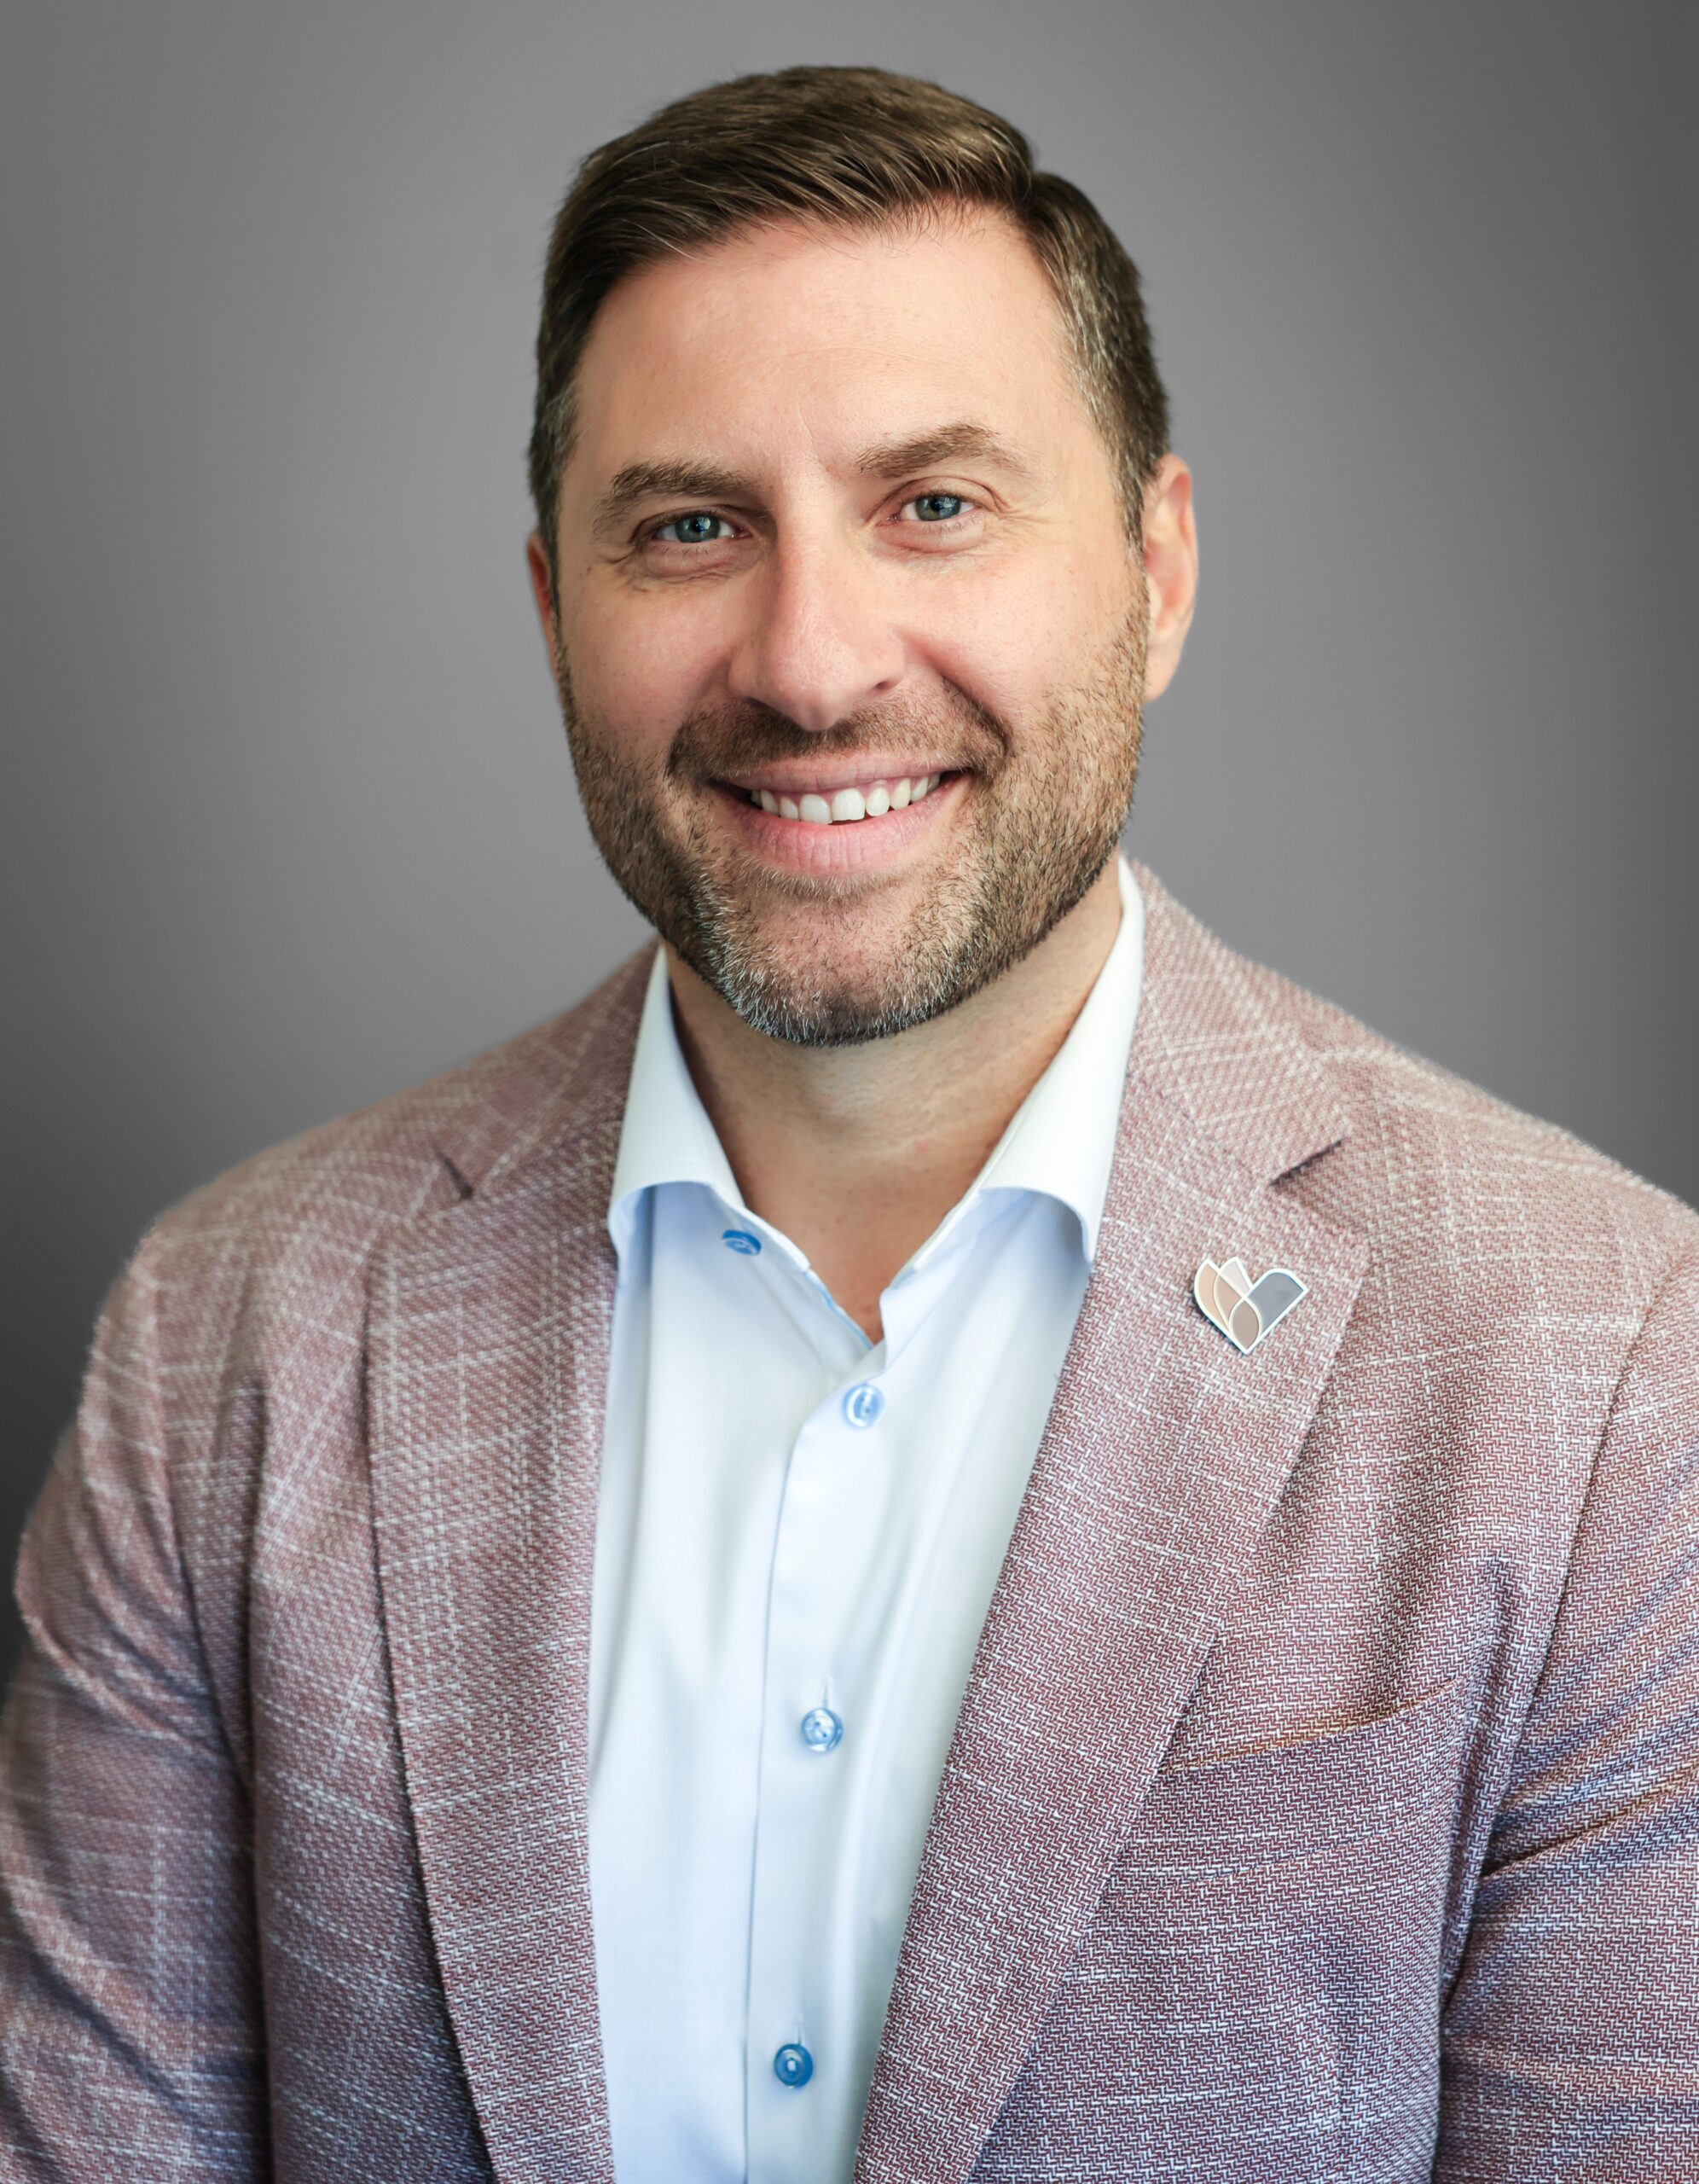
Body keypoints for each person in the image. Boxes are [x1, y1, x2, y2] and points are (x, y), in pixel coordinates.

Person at [2, 59, 1695, 2184]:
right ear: (553, 613)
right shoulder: (222, 1343)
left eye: (937, 505)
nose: (809, 663)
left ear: (1158, 570)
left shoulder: (1612, 1366)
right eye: (692, 526)